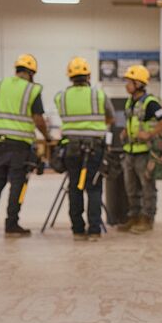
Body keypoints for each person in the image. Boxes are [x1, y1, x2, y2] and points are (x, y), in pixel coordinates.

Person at [0, 53, 50, 238]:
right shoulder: (31, 90)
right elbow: (38, 119)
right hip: (20, 146)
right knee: (17, 185)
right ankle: (11, 224)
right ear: (32, 73)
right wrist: (47, 137)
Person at [55, 56, 114, 241]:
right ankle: (94, 230)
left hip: (71, 148)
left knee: (75, 188)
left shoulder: (61, 96)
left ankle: (78, 230)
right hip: (94, 147)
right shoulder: (98, 94)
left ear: (70, 77)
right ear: (88, 76)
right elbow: (110, 117)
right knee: (94, 188)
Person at [121, 64, 162, 234]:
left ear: (139, 84)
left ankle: (147, 219)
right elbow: (132, 122)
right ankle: (134, 217)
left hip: (145, 152)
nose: (126, 85)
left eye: (129, 81)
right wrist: (124, 132)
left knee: (147, 187)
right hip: (130, 151)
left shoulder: (151, 103)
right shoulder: (130, 102)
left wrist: (150, 134)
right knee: (131, 188)